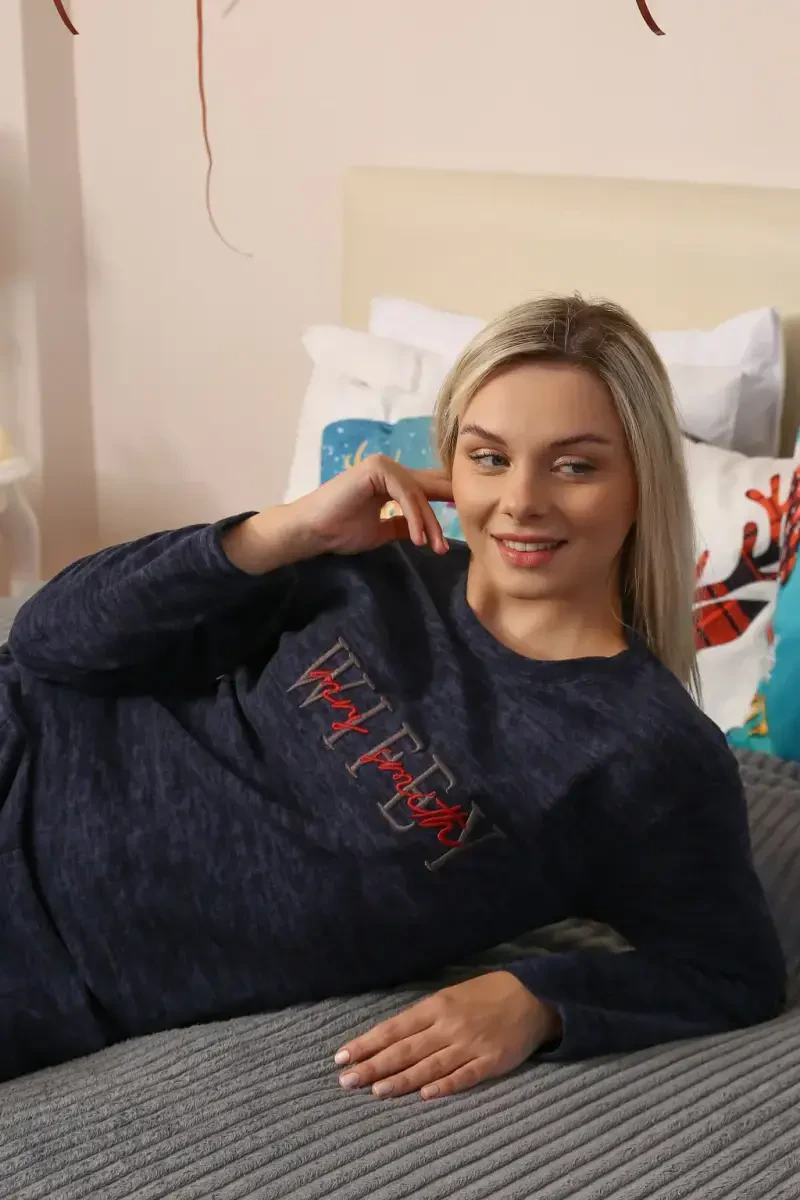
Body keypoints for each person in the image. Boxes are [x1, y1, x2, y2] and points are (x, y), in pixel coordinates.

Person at [0, 295, 785, 1097]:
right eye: (489, 458)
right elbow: (45, 643)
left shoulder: (647, 748)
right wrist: (287, 531)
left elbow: (731, 972)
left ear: (642, 482)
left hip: (46, 961)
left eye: (574, 466)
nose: (522, 501)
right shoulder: (373, 562)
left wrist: (538, 1000)